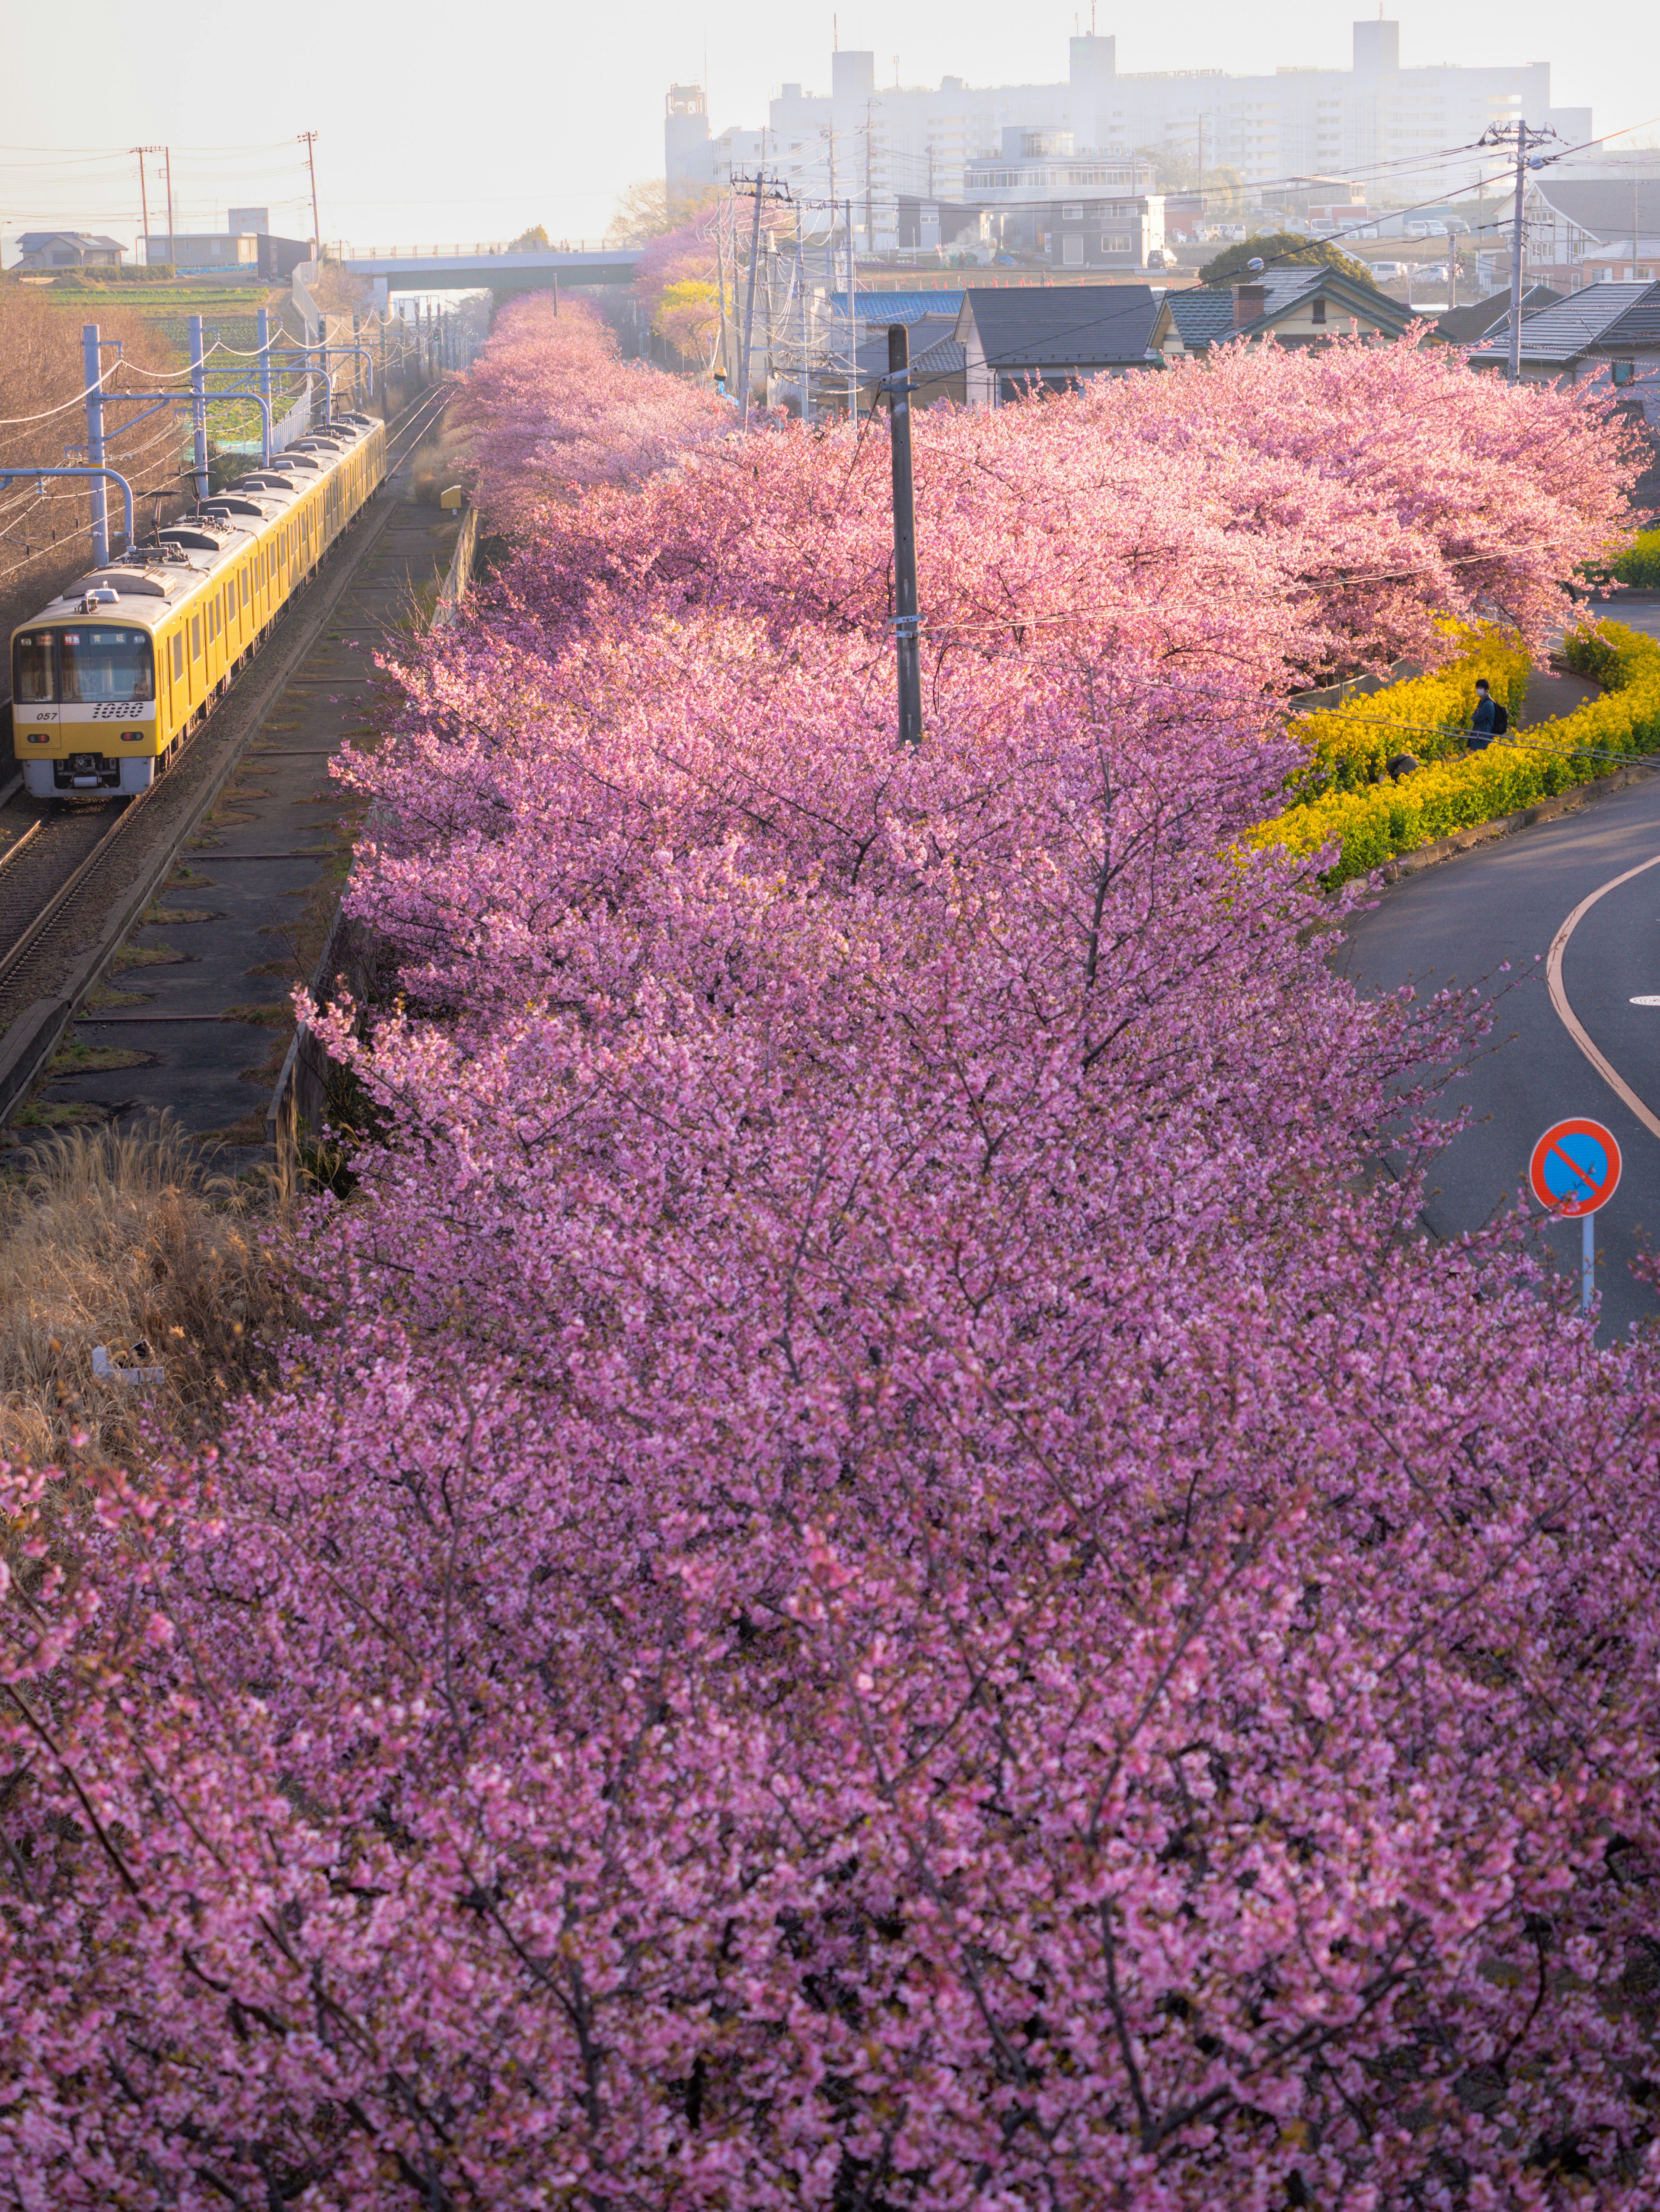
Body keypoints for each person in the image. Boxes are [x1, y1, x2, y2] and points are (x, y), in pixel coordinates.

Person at [1469, 679, 1500, 749]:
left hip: (1484, 737)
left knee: (1479, 757)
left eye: (1481, 688)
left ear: (1487, 690)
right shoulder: (1483, 702)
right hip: (1481, 735)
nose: (1478, 690)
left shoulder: (1488, 704)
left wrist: (1474, 716)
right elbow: (1475, 716)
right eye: (1477, 688)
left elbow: (1476, 718)